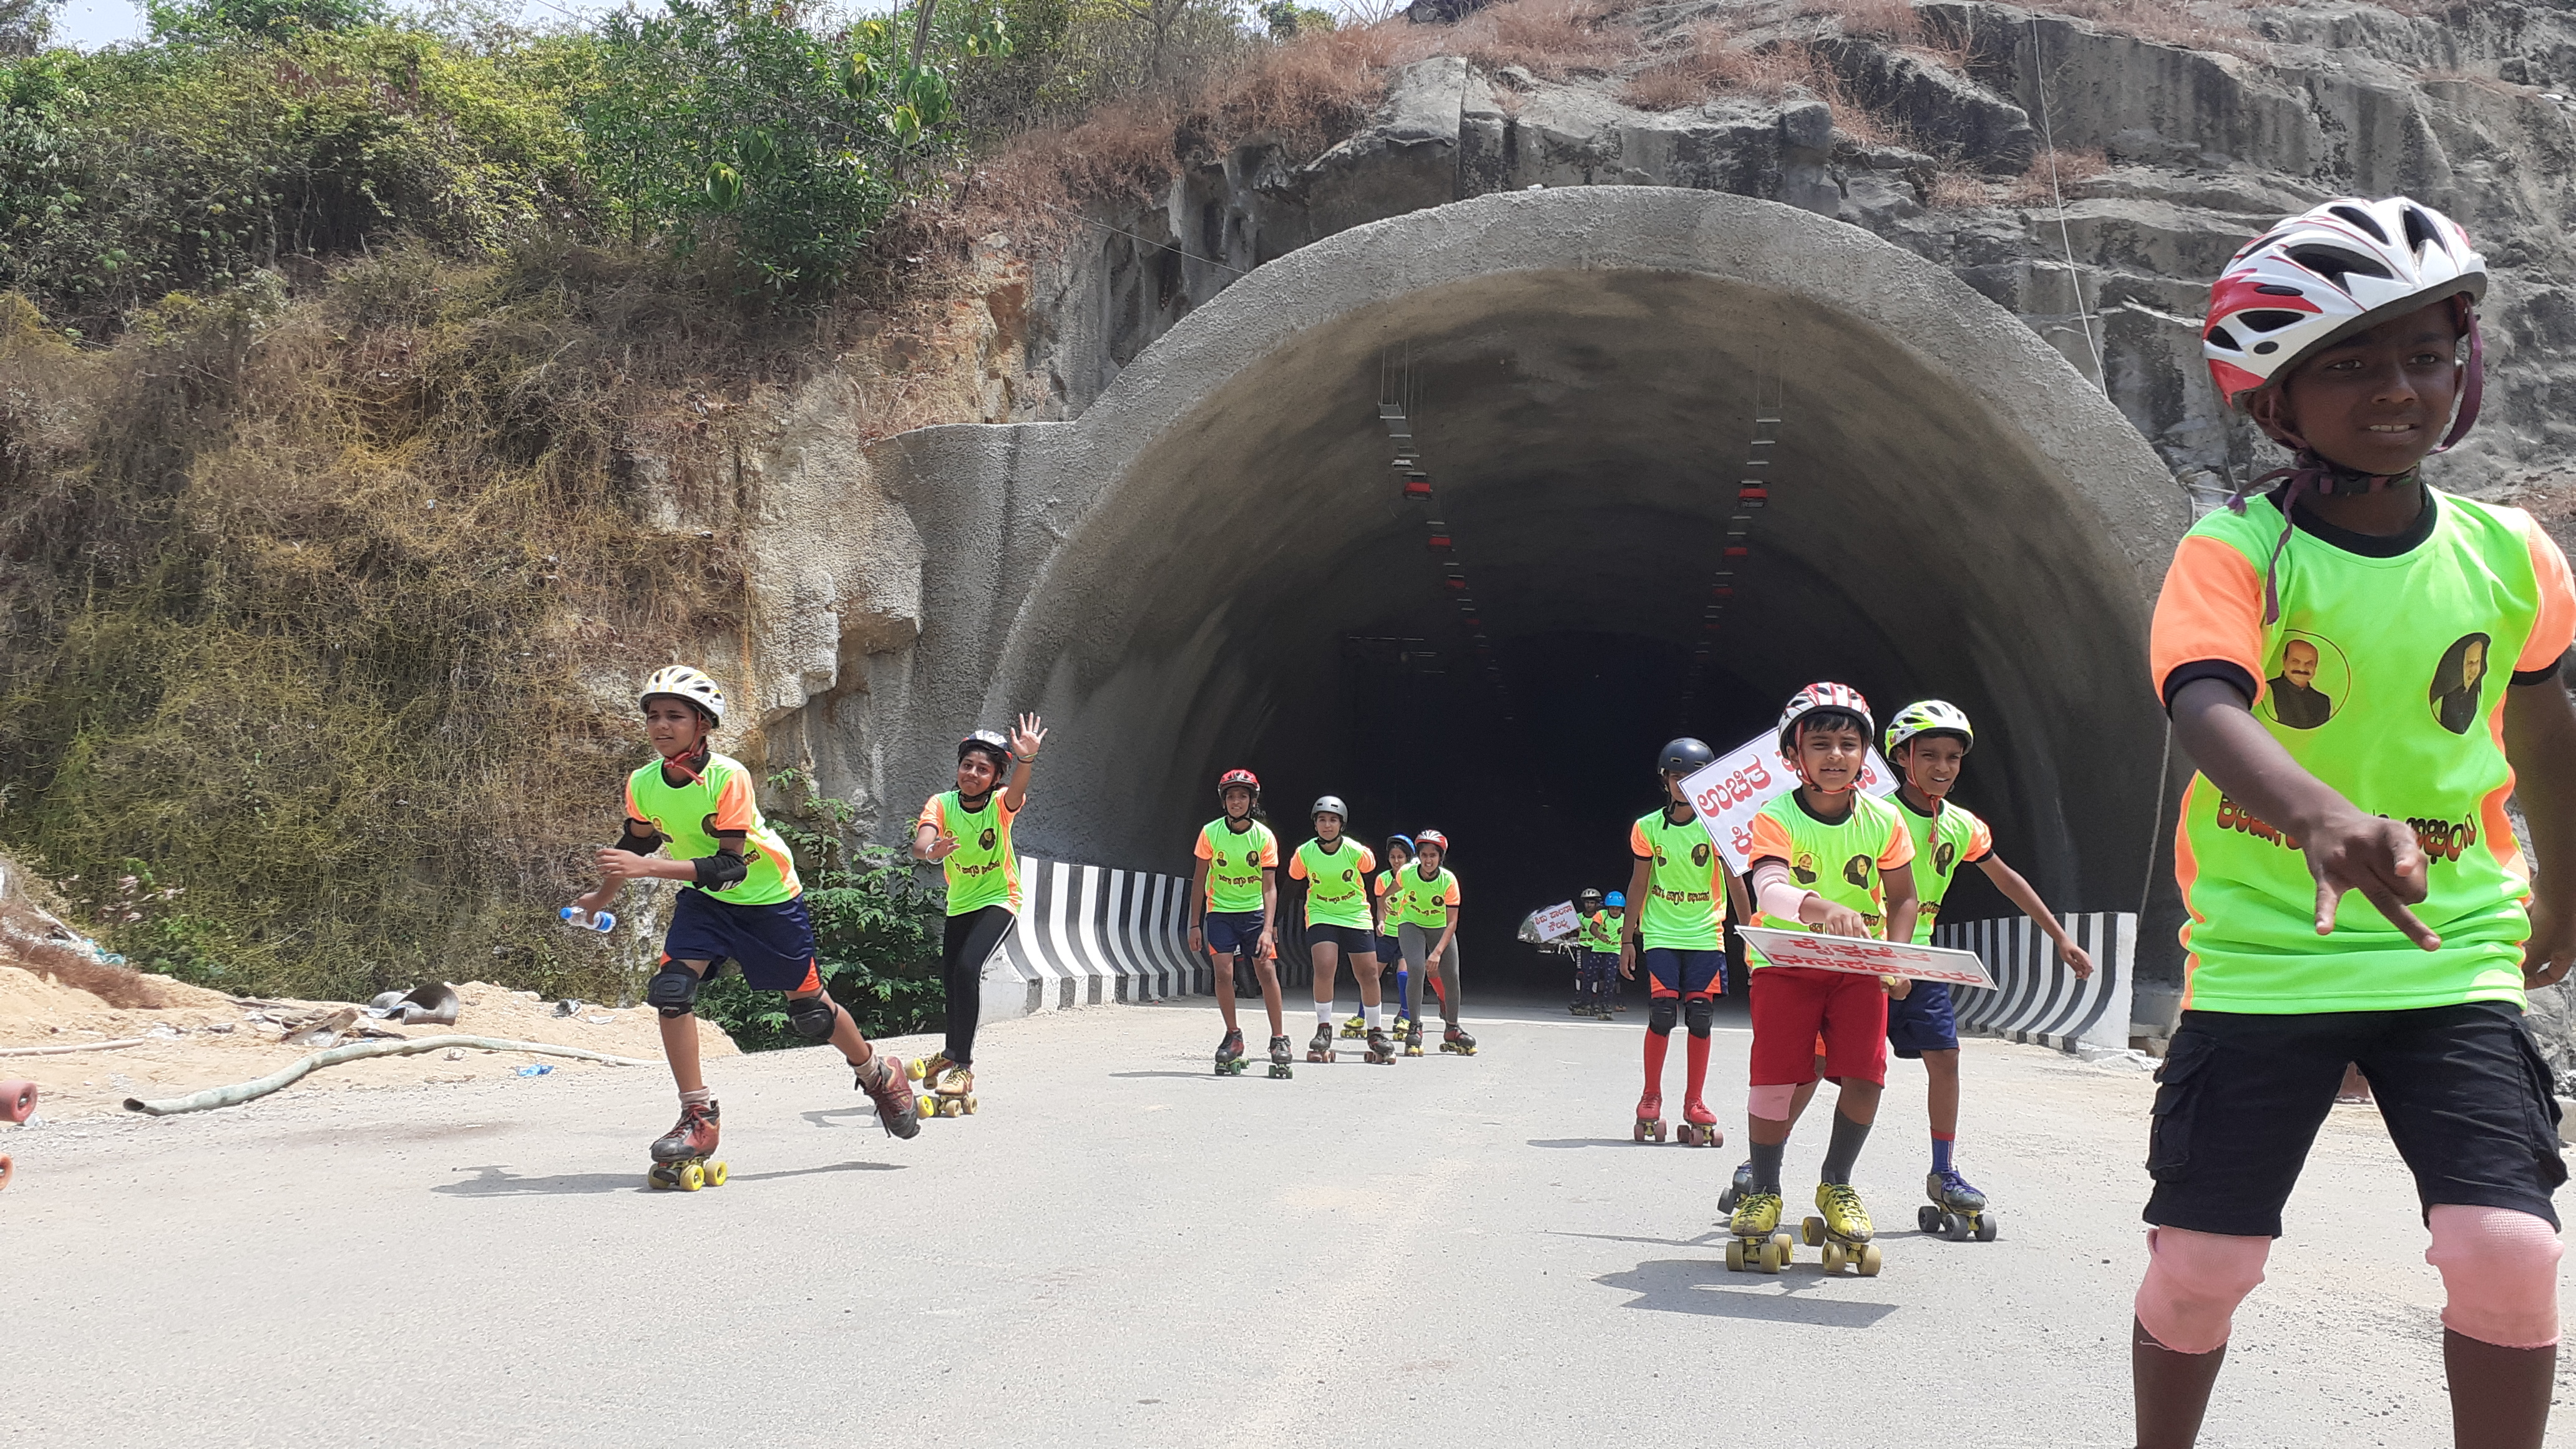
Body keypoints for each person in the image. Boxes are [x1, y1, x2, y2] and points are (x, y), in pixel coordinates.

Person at [2140, 195, 2576, 1449]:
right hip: (2268, 952)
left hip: (2453, 952)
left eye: (2427, 355)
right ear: (2277, 397)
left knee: (2509, 1248)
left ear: (2468, 368)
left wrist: (2567, 893)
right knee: (2203, 1266)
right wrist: (2317, 812)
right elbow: (2206, 702)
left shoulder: (2510, 557)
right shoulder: (2235, 554)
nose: (2399, 388)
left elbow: (2542, 732)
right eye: (2352, 362)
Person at [570, 666, 919, 1181]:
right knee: (672, 990)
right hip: (704, 901)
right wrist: (602, 895)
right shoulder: (643, 783)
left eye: (674, 716)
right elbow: (639, 843)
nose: (660, 726)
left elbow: (730, 867)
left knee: (811, 1014)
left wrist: (649, 869)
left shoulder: (728, 777)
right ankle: (698, 1115)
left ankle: (877, 1072)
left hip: (767, 899)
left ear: (703, 724)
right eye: (653, 717)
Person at [1878, 699, 2095, 1232]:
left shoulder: (1963, 826)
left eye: (1953, 757)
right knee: (1821, 1066)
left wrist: (2061, 938)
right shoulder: (1873, 814)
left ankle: (1943, 1171)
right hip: (1870, 957)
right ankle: (1764, 1164)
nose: (1943, 768)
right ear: (1900, 757)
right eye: (1928, 755)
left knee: (1946, 1059)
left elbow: (2007, 879)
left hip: (1924, 958)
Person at [1724, 683, 1918, 1272]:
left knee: (1866, 1073)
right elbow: (1770, 889)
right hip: (1786, 962)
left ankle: (1837, 1182)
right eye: (1822, 744)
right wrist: (1821, 908)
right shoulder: (1775, 816)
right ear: (1794, 756)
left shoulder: (1885, 820)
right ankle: (1763, 1186)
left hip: (1857, 969)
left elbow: (1904, 896)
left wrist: (1896, 959)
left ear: (1867, 754)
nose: (1836, 755)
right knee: (1778, 1077)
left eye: (1849, 743)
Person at [908, 715, 1046, 1116]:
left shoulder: (1002, 805)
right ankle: (951, 1053)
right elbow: (922, 845)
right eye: (967, 765)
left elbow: (1018, 790)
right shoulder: (942, 803)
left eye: (983, 769)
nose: (972, 773)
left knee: (968, 968)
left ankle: (963, 1066)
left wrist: (1028, 760)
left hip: (1001, 898)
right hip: (961, 901)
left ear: (995, 776)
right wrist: (933, 851)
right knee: (951, 977)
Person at [1622, 738, 1753, 1146]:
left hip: (1705, 934)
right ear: (1665, 780)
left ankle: (1694, 1101)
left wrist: (1752, 937)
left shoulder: (1720, 828)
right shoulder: (1647, 828)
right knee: (1662, 1014)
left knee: (1700, 1016)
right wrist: (1628, 938)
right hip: (1661, 932)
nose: (1683, 784)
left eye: (1692, 776)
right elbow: (1639, 883)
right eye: (1676, 776)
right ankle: (1651, 1096)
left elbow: (1737, 885)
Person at [1190, 769, 1289, 1076]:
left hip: (1255, 913)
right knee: (1223, 972)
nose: (1236, 802)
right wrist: (1194, 923)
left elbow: (1270, 887)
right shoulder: (1210, 833)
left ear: (1252, 801)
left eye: (1242, 796)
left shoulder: (1263, 837)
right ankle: (1233, 1035)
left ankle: (1278, 1038)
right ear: (1223, 801)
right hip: (1220, 912)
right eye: (1231, 796)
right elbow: (1199, 879)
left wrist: (1268, 930)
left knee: (1266, 969)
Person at [1293, 797, 1393, 1065]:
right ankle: (1324, 1029)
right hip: (1321, 912)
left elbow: (1370, 870)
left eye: (1333, 820)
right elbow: (1292, 880)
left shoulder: (1355, 851)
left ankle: (1375, 1031)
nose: (1327, 825)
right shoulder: (1304, 853)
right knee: (1325, 966)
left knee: (1369, 973)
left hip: (1354, 914)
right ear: (1315, 824)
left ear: (1342, 825)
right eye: (1322, 820)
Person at [1388, 829, 1474, 1056]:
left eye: (1433, 856)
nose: (1428, 860)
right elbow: (1391, 889)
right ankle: (1414, 1026)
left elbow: (1452, 923)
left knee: (1451, 975)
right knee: (1416, 968)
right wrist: (1382, 903)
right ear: (1419, 856)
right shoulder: (1407, 873)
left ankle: (1452, 1028)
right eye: (1424, 855)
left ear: (1440, 858)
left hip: (1440, 927)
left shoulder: (1448, 881)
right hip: (1411, 923)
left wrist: (1436, 953)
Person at [1372, 834, 1415, 1038]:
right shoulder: (1383, 879)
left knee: (1403, 974)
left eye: (1400, 857)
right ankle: (1364, 1015)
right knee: (1372, 974)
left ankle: (1406, 1015)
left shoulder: (1414, 878)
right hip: (1388, 933)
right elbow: (1380, 905)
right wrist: (1380, 921)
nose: (1396, 861)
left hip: (1408, 933)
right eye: (1393, 857)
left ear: (1408, 859)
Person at [2265, 638, 2334, 728]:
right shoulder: (2266, 692)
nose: (2302, 669)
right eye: (2295, 662)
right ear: (2284, 660)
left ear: (2315, 666)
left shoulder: (2326, 702)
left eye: (2309, 664)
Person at [1585, 891, 1628, 1018]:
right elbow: (1593, 928)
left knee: (1610, 979)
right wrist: (1600, 936)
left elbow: (1635, 929)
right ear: (1608, 908)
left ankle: (1606, 1004)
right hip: (1598, 949)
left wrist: (1645, 928)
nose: (1615, 911)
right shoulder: (1602, 914)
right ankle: (1586, 1001)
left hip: (1614, 951)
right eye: (1612, 908)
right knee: (1590, 976)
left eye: (1618, 909)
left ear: (1621, 909)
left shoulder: (1625, 918)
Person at [1569, 886, 1607, 1015]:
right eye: (1587, 902)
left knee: (1595, 975)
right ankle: (1580, 998)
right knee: (1581, 974)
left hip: (1596, 948)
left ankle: (1594, 1000)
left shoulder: (1602, 917)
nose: (1589, 905)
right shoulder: (1578, 917)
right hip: (1583, 948)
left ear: (1597, 904)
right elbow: (1572, 932)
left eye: (1592, 902)